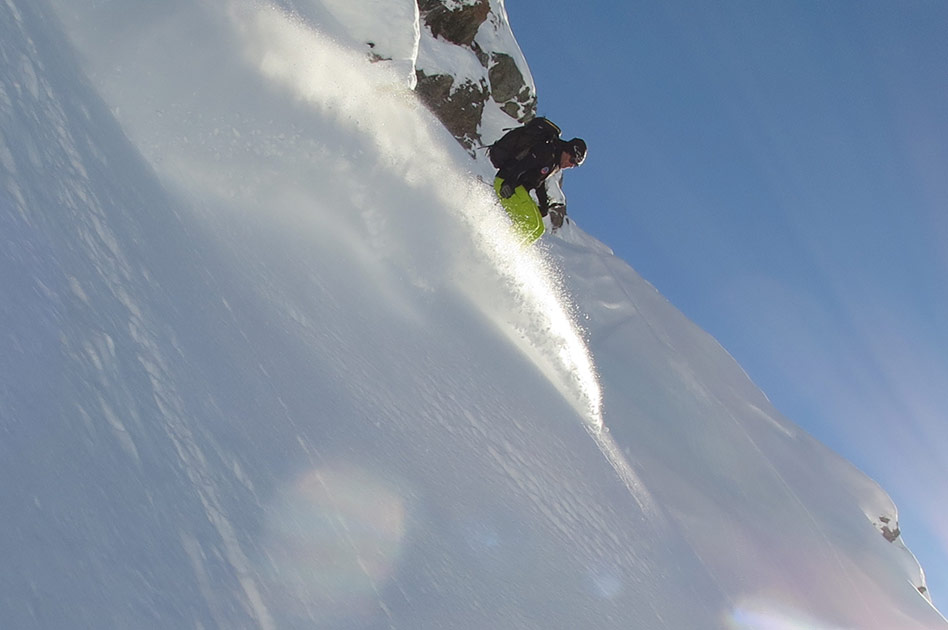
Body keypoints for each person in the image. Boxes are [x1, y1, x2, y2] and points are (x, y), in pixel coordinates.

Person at [488, 117, 586, 243]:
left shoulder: (553, 162)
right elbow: (523, 164)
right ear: (567, 151)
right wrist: (509, 183)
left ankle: (512, 250)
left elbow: (538, 182)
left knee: (538, 228)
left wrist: (544, 205)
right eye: (572, 160)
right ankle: (500, 246)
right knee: (530, 224)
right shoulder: (547, 151)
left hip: (517, 188)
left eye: (575, 165)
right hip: (506, 183)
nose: (571, 165)